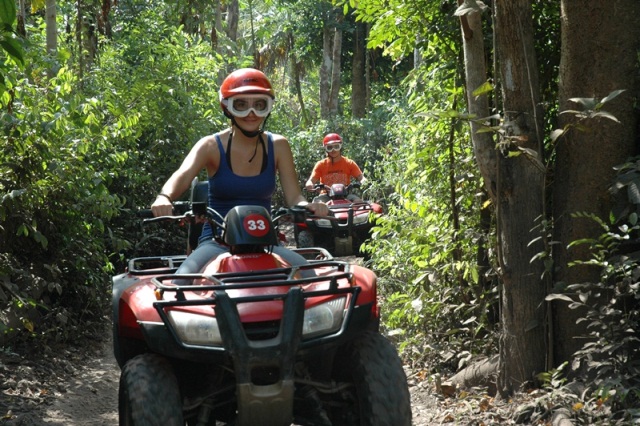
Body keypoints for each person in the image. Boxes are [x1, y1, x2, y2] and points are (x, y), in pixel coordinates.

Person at [151, 68, 329, 275]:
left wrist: (309, 206)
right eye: (241, 104)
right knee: (181, 282)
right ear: (227, 107)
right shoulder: (210, 146)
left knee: (309, 277)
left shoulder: (278, 145)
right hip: (216, 242)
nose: (251, 113)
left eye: (259, 105)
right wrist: (164, 197)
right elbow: (183, 174)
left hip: (265, 242)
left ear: (268, 107)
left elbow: (294, 196)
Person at [305, 133, 366, 203]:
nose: (333, 150)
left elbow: (361, 177)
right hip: (325, 195)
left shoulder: (349, 163)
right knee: (318, 204)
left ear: (340, 147)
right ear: (325, 149)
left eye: (336, 146)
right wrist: (309, 184)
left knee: (358, 202)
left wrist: (364, 181)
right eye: (330, 147)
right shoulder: (320, 165)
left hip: (346, 194)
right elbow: (311, 180)